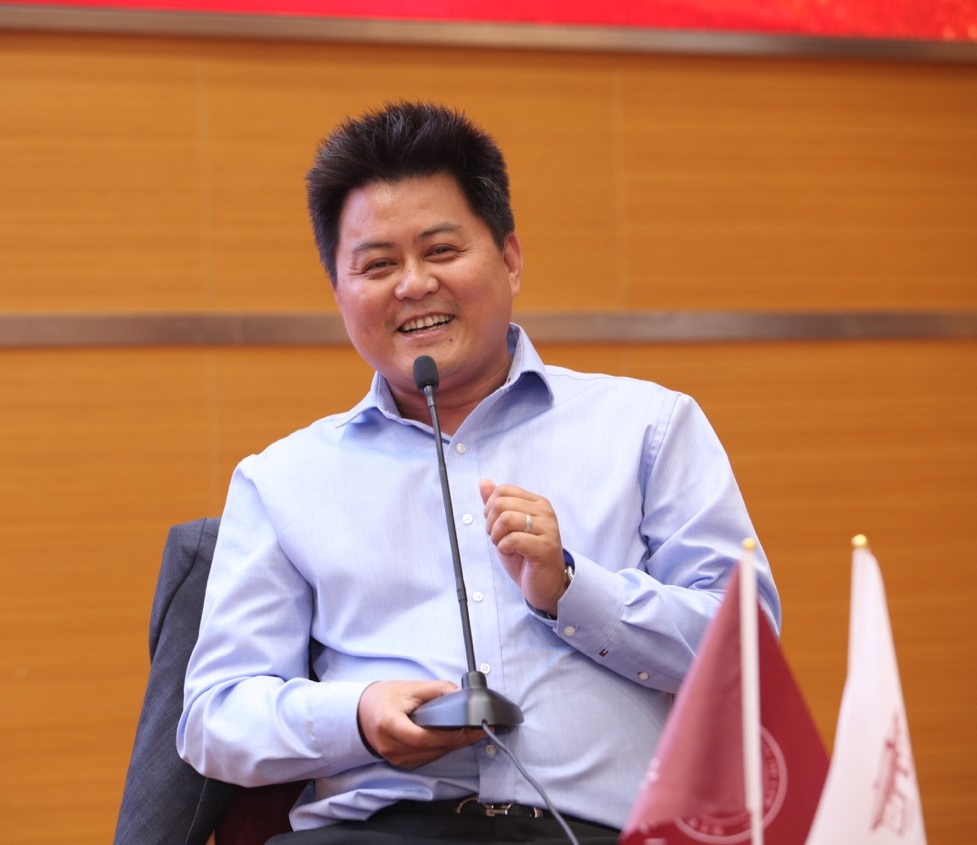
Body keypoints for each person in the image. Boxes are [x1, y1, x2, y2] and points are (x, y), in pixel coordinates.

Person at [178, 101, 781, 844]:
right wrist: (359, 715)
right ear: (339, 292)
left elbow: (748, 647)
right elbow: (214, 718)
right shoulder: (282, 479)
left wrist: (572, 589)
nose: (412, 285)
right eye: (377, 265)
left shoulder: (649, 427)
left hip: (596, 830)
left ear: (511, 258)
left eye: (440, 250)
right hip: (376, 831)